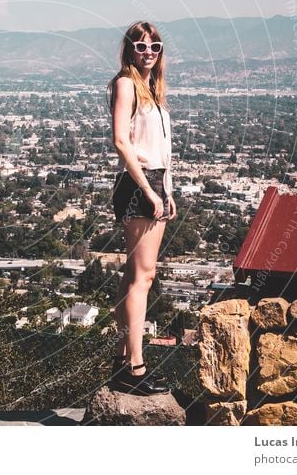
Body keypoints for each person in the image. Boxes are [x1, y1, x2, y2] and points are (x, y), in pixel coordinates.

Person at [106, 21, 176, 396]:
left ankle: (121, 362)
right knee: (142, 278)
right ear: (129, 49)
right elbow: (121, 141)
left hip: (153, 182)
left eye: (155, 46)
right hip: (138, 183)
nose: (148, 52)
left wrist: (168, 189)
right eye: (141, 46)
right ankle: (135, 367)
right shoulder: (126, 84)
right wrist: (150, 190)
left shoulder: (153, 90)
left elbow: (161, 147)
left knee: (132, 275)